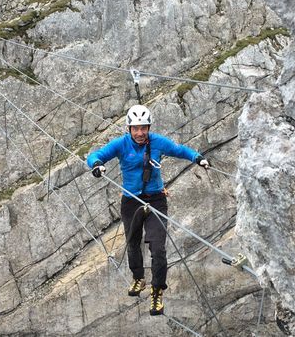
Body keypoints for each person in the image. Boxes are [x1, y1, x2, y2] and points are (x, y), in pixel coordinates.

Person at [87, 104, 210, 316]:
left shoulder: (157, 142)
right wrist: (97, 164)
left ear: (148, 127)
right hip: (131, 200)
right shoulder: (121, 144)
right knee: (132, 242)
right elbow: (95, 155)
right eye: (136, 128)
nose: (140, 132)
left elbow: (180, 150)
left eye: (143, 127)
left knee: (158, 248)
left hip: (155, 199)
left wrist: (198, 158)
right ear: (129, 128)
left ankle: (157, 291)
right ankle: (138, 278)